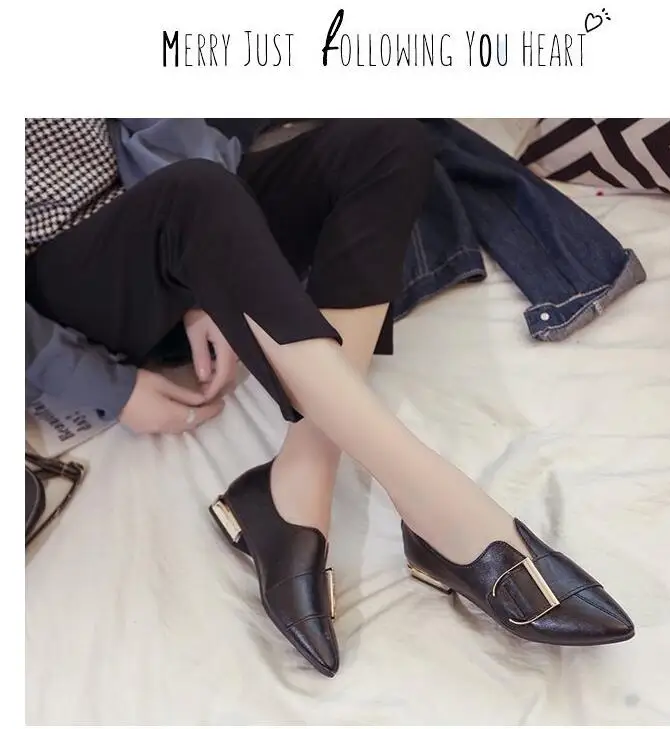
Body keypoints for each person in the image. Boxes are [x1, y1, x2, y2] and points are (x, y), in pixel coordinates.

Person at [25, 118, 634, 678]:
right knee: (195, 193)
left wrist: (198, 285)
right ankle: (434, 501)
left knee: (388, 141)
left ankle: (299, 477)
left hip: (170, 220)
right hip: (54, 290)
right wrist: (106, 385)